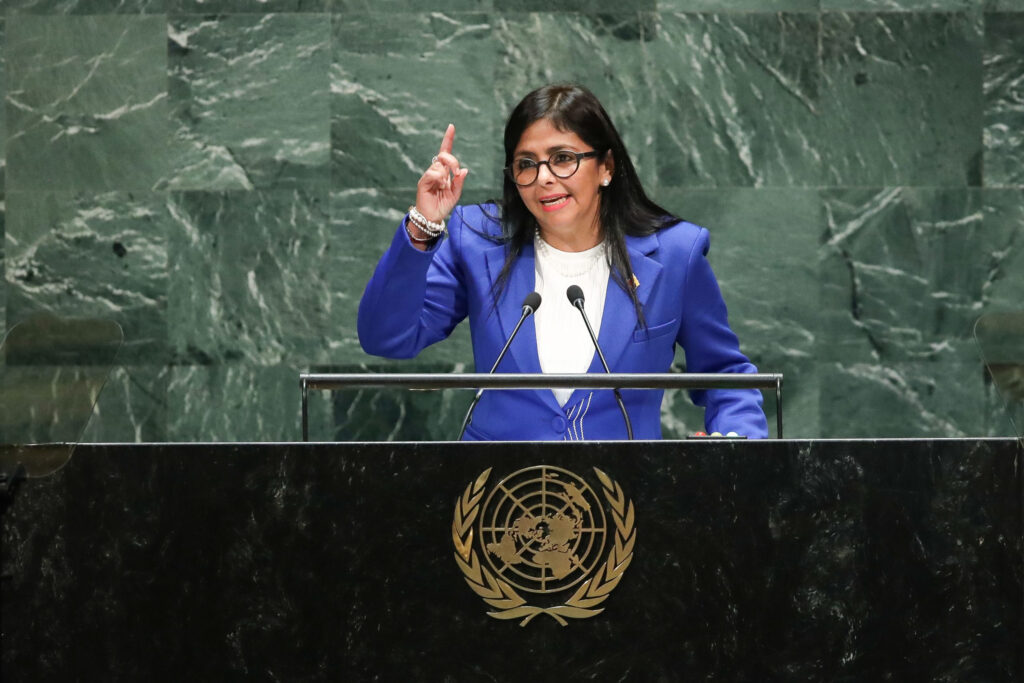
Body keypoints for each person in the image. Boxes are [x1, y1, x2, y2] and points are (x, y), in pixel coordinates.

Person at [358, 84, 768, 441]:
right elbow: (387, 338)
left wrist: (736, 442)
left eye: (563, 158)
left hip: (623, 491)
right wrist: (424, 224)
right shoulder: (477, 239)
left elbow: (725, 375)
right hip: (498, 493)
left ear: (606, 167)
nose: (544, 177)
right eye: (527, 164)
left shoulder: (675, 253)